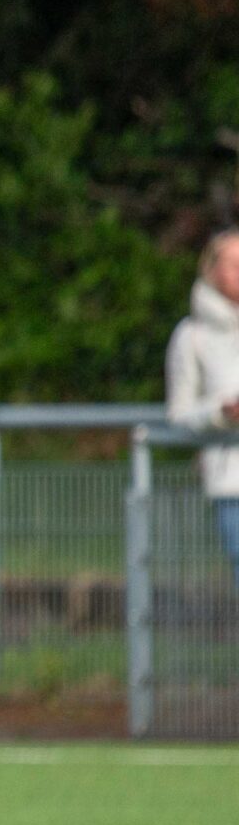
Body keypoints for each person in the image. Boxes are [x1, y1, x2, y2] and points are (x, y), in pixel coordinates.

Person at [166, 229, 239, 585]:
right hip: (231, 485)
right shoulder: (191, 336)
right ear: (212, 271)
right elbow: (179, 415)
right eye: (235, 264)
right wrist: (221, 414)